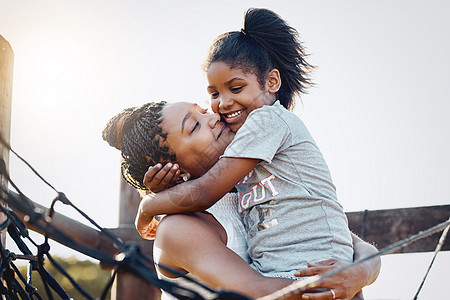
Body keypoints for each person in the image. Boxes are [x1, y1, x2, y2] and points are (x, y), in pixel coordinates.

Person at [135, 7, 359, 296]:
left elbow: (204, 191)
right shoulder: (238, 176)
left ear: (272, 83)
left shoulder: (266, 121)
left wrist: (149, 206)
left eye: (236, 88)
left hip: (307, 267)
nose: (221, 106)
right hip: (286, 272)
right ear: (176, 168)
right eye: (214, 94)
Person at [103, 101, 380, 300]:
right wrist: (335, 286)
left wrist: (362, 271)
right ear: (176, 169)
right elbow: (259, 291)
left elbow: (348, 239)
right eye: (194, 126)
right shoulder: (178, 228)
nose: (213, 116)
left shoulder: (248, 188)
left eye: (202, 110)